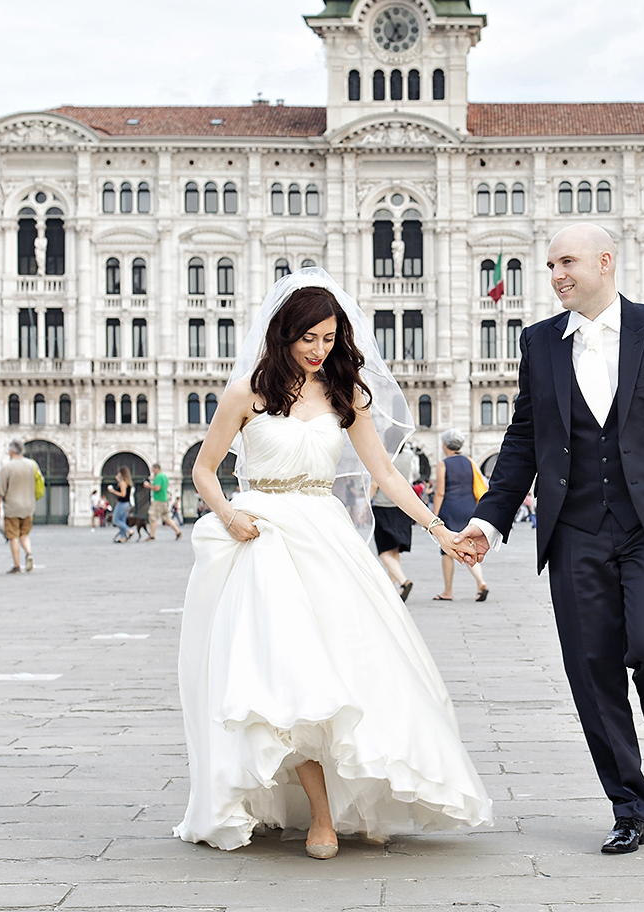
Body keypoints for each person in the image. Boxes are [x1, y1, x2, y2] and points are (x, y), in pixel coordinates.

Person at [174, 269, 492, 857]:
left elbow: (387, 475)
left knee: (345, 670)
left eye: (329, 338)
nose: (320, 350)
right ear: (284, 335)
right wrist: (227, 515)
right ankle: (320, 817)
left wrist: (441, 530)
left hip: (324, 536)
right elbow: (203, 467)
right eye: (309, 339)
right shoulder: (246, 392)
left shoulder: (347, 394)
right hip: (260, 538)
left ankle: (345, 800)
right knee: (286, 675)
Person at [455, 223, 644, 855]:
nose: (556, 275)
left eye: (566, 262)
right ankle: (630, 804)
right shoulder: (539, 342)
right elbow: (524, 439)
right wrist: (489, 520)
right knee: (592, 671)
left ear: (605, 261)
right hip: (573, 530)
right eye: (550, 265)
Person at [432, 429, 489, 601]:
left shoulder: (444, 464)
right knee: (469, 546)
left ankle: (447, 591)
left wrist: (433, 517)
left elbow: (440, 493)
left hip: (450, 508)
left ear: (444, 445)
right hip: (470, 508)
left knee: (447, 549)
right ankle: (481, 582)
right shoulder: (470, 461)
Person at [371, 445, 419, 600]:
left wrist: (366, 502)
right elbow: (413, 477)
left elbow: (374, 484)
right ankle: (392, 590)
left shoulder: (382, 457)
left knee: (384, 550)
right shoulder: (409, 457)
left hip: (383, 506)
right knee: (394, 550)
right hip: (402, 505)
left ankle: (403, 581)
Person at [0, 440, 39, 573]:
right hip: (28, 505)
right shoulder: (32, 465)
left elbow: (1, 490)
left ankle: (16, 565)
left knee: (13, 536)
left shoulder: (7, 467)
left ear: (11, 452)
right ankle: (29, 553)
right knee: (24, 534)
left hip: (12, 507)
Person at [148, 462, 182, 541]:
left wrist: (148, 486)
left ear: (156, 469)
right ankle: (177, 531)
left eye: (153, 470)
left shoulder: (158, 477)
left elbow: (157, 488)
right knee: (166, 517)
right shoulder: (165, 476)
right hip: (164, 500)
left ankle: (152, 535)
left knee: (152, 516)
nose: (152, 471)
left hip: (158, 500)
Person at [105, 468, 133, 543]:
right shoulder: (128, 483)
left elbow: (123, 494)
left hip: (122, 503)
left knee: (116, 520)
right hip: (127, 503)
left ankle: (129, 530)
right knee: (122, 520)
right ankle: (122, 537)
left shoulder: (122, 483)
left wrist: (113, 491)